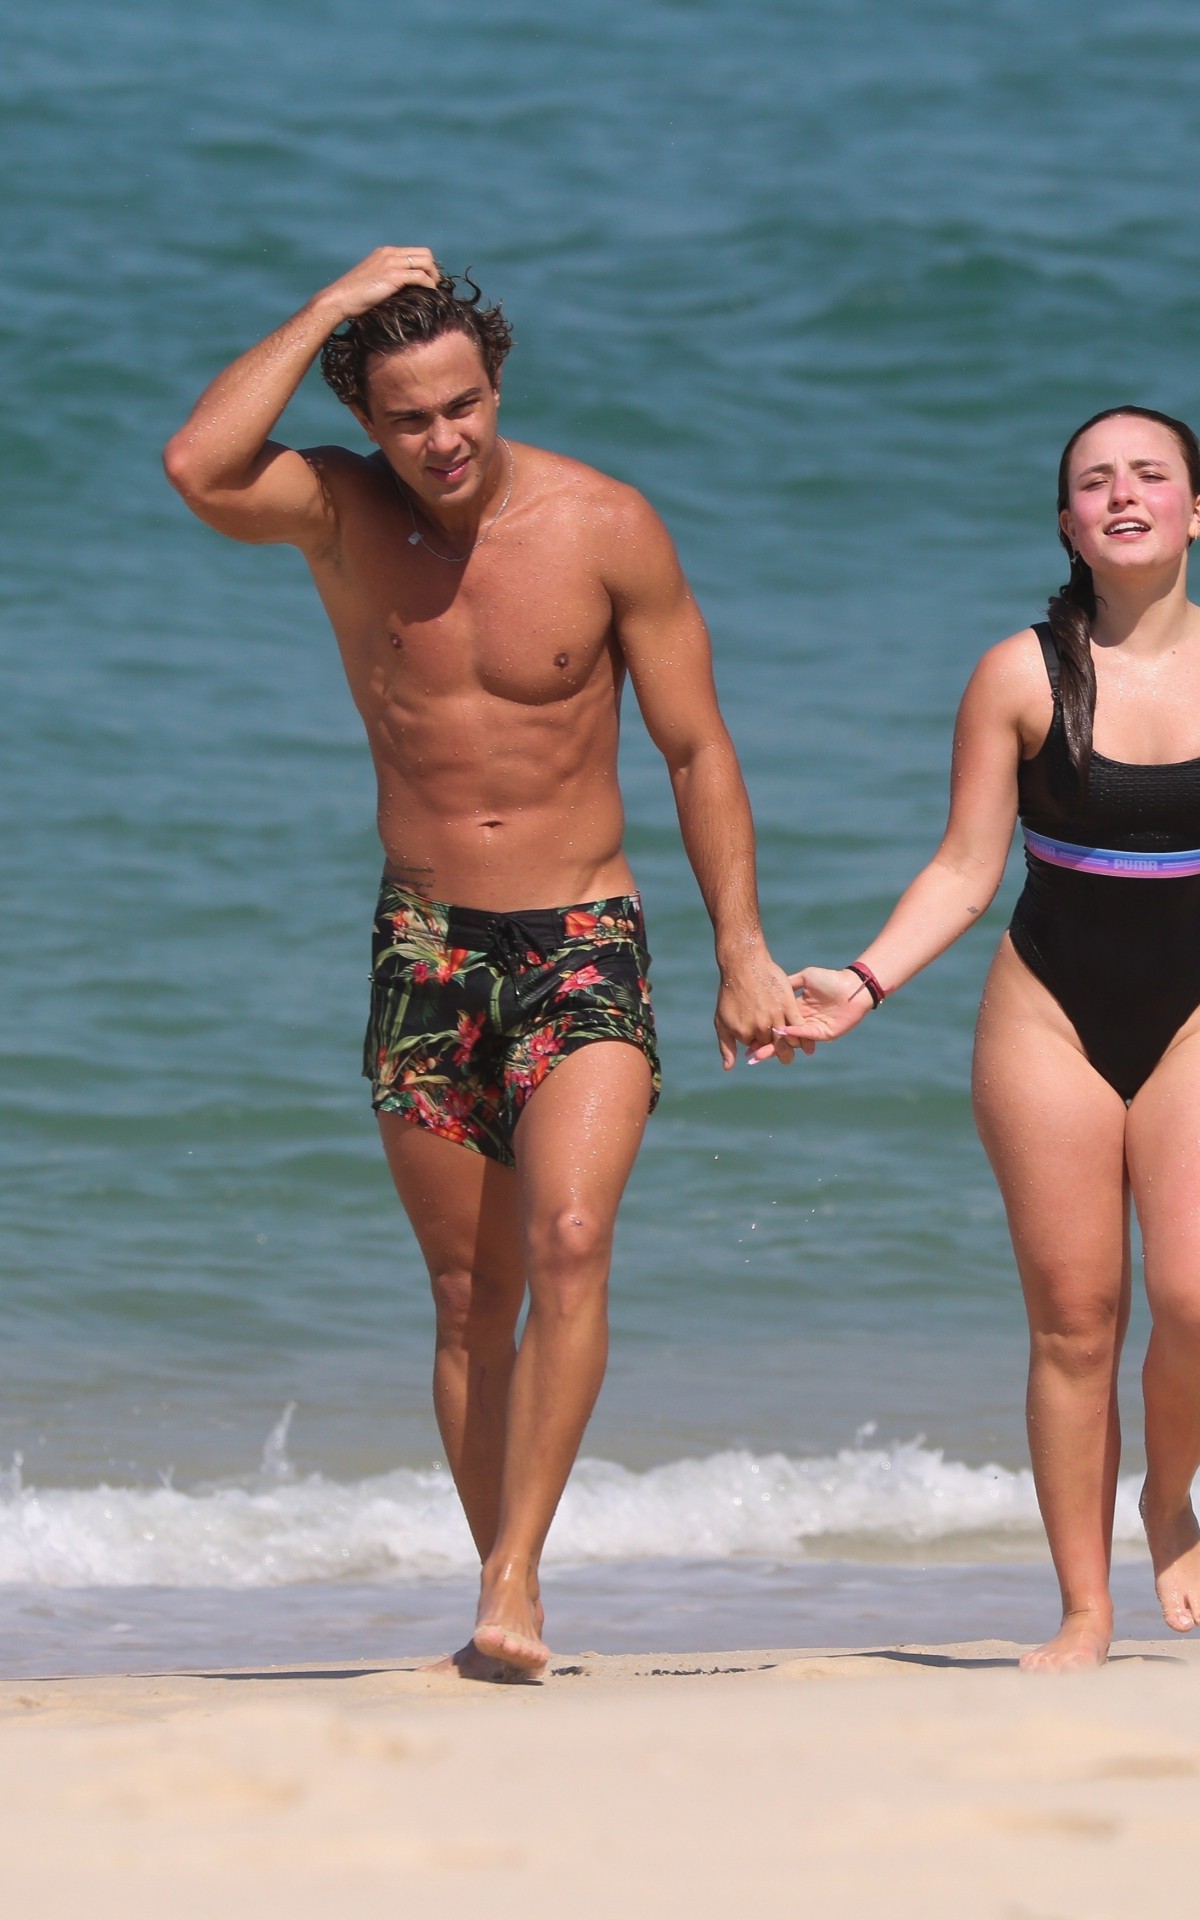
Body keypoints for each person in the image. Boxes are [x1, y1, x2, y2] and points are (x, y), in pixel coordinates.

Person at [163, 247, 799, 1678]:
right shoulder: (336, 515)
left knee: (571, 1239)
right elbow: (199, 464)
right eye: (408, 417)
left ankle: (512, 1578)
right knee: (470, 1297)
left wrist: (741, 953)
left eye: (463, 404)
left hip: (584, 934)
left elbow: (698, 749)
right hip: (423, 942)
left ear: (496, 383)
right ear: (367, 419)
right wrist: (330, 303)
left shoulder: (607, 526)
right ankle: (500, 1577)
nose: (443, 440)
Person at [766, 406, 1200, 1671]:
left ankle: (1168, 1493)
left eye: (1150, 476)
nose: (1122, 495)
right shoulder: (1020, 675)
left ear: (1195, 508)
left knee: (1191, 1292)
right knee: (1076, 1320)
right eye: (1093, 482)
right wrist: (863, 981)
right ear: (1066, 522)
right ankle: (1081, 1611)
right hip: (1049, 1014)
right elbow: (965, 869)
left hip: (1194, 1015)